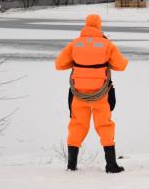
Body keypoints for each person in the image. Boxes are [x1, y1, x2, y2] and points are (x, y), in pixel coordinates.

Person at [55, 14, 128, 173]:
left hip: (78, 95)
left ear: (86, 26)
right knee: (104, 126)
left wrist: (79, 62)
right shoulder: (106, 44)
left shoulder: (75, 44)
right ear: (99, 26)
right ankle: (111, 165)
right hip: (101, 96)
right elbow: (121, 66)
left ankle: (71, 165)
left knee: (76, 126)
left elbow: (59, 65)